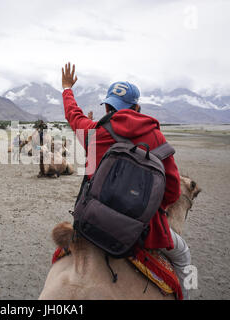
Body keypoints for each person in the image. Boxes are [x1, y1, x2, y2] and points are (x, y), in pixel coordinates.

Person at [61, 62, 191, 299]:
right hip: (144, 229)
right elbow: (172, 192)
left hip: (92, 221)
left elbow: (73, 115)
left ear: (108, 106)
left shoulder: (95, 132)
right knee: (183, 256)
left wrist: (67, 88)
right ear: (137, 108)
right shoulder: (157, 137)